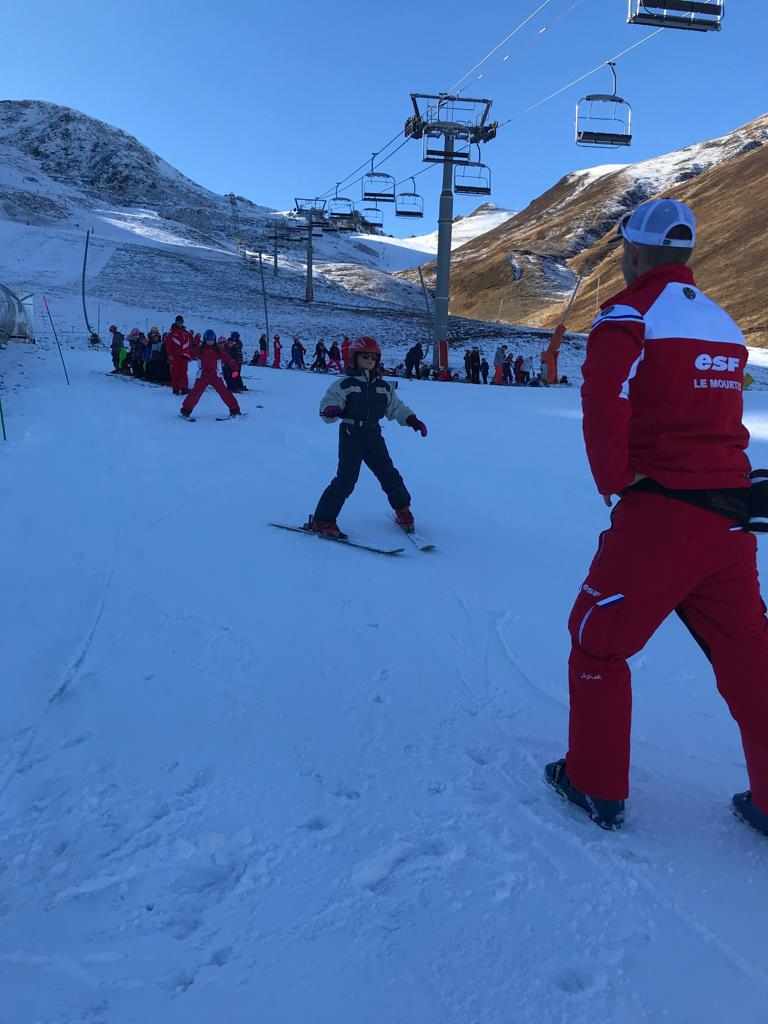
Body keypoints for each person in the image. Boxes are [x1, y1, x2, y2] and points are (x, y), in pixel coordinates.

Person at [545, 198, 768, 837]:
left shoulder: (629, 315)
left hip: (661, 516)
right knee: (751, 660)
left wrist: (615, 479)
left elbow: (604, 400)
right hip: (730, 517)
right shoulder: (722, 323)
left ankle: (594, 782)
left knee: (597, 638)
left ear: (634, 253)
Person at [307, 336, 428, 539]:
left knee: (388, 473)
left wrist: (412, 420)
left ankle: (402, 509)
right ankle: (323, 520)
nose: (370, 361)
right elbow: (330, 401)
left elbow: (396, 408)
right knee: (346, 479)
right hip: (351, 433)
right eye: (365, 357)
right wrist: (331, 410)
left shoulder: (384, 387)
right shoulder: (345, 384)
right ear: (354, 358)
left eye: (373, 357)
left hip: (373, 434)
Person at [180, 330, 241, 418]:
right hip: (203, 375)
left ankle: (235, 409)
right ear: (205, 340)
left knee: (224, 392)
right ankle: (186, 410)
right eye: (208, 340)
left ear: (214, 340)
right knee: (195, 393)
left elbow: (228, 359)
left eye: (212, 340)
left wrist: (235, 369)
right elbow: (190, 353)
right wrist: (185, 356)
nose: (210, 342)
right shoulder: (200, 349)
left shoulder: (218, 350)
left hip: (215, 375)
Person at [166, 315, 192, 395]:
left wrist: (189, 354)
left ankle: (184, 388)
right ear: (176, 322)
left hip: (184, 356)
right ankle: (176, 388)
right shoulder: (172, 333)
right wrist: (170, 354)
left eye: (181, 322)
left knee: (184, 372)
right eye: (178, 322)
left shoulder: (186, 333)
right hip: (175, 356)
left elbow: (190, 344)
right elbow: (168, 345)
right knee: (175, 372)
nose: (180, 323)